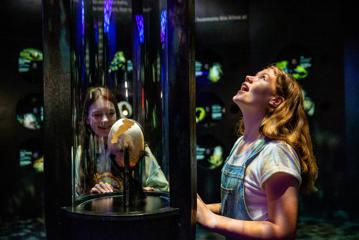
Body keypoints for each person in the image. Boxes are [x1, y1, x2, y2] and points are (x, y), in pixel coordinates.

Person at [196, 65, 318, 239]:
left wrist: (211, 220)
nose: (248, 76)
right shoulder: (241, 142)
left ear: (275, 100)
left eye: (263, 78)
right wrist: (199, 208)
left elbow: (282, 231)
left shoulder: (277, 152)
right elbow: (240, 207)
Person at [75, 87, 168, 196]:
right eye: (97, 115)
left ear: (117, 115)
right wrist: (92, 195)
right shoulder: (81, 153)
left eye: (111, 113)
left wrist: (144, 192)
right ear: (87, 119)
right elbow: (76, 196)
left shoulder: (136, 145)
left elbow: (163, 189)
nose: (105, 120)